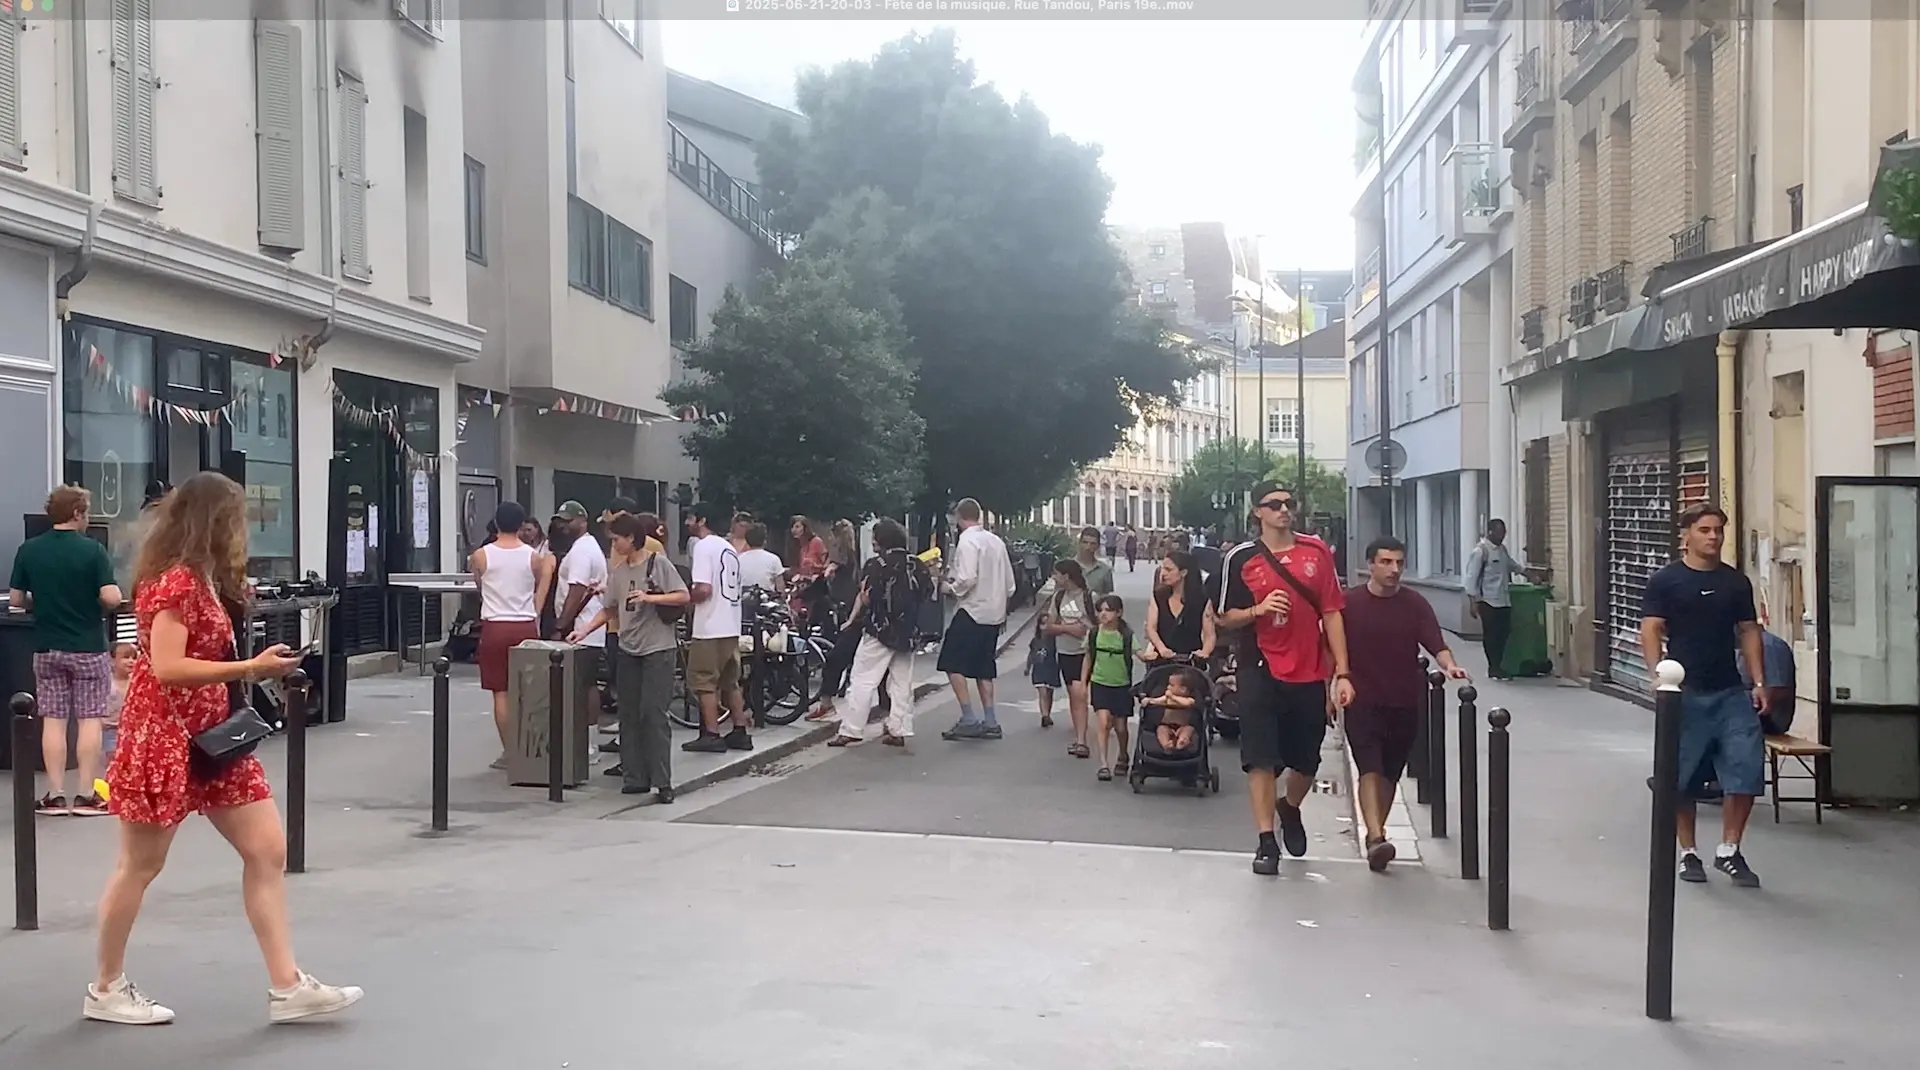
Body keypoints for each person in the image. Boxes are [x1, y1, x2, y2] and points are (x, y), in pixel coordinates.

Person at [90, 471, 359, 1026]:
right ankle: (106, 986)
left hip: (212, 734)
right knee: (141, 865)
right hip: (166, 733)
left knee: (266, 849)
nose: (244, 530)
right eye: (236, 519)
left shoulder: (200, 579)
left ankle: (287, 985)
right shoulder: (179, 583)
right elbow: (167, 668)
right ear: (215, 522)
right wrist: (252, 667)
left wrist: (253, 662)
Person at [1216, 481, 1353, 876]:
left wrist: (1342, 672)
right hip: (1259, 666)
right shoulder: (1240, 558)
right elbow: (1224, 615)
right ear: (1257, 511)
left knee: (1306, 759)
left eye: (1289, 503)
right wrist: (1257, 610)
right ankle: (1265, 841)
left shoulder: (1316, 552)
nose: (1284, 510)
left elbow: (1332, 612)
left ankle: (1289, 807)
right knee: (1260, 757)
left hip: (1308, 669)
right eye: (1273, 504)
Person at [1640, 502, 1767, 889]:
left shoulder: (1735, 583)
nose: (1714, 537)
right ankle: (1688, 852)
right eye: (1705, 530)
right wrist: (1658, 677)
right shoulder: (1666, 581)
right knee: (1681, 777)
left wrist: (1759, 682)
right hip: (1685, 692)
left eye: (1718, 530)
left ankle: (1729, 850)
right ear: (1687, 535)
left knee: (1746, 770)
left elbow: (1748, 631)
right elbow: (1650, 628)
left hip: (1729, 691)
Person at [1341, 536, 1468, 872]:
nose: (1394, 569)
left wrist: (1449, 664)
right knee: (1369, 765)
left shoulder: (1415, 604)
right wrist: (1335, 682)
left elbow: (1435, 642)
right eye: (1386, 562)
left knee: (1390, 773)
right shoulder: (1349, 603)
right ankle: (1375, 836)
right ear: (1370, 564)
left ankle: (1377, 835)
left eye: (1398, 562)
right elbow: (1332, 647)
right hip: (1362, 698)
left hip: (1404, 699)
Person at [10, 485, 123, 816]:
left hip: (47, 647)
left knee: (54, 721)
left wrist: (44, 602)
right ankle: (87, 795)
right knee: (89, 720)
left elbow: (17, 601)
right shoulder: (92, 551)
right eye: (86, 511)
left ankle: (55, 795)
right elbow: (112, 597)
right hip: (87, 646)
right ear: (77, 513)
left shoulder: (29, 549)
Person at [571, 513, 688, 801]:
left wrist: (651, 598)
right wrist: (584, 629)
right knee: (629, 713)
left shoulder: (657, 563)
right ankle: (634, 776)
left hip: (658, 648)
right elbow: (610, 608)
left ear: (631, 538)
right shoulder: (619, 572)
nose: (614, 544)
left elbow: (683, 595)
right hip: (628, 648)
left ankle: (663, 781)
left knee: (654, 713)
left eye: (617, 539)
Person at [829, 518, 935, 748]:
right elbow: (927, 591)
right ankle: (899, 728)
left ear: (883, 540)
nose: (874, 542)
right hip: (908, 632)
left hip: (880, 629)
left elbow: (868, 595)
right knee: (901, 682)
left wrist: (858, 612)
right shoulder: (916, 564)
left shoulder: (876, 565)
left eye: (876, 537)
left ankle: (852, 729)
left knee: (862, 679)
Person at [472, 502, 555, 770]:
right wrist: (534, 611)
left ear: (496, 522)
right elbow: (541, 584)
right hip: (525, 625)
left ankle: (510, 751)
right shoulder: (533, 556)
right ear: (521, 525)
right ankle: (531, 748)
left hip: (495, 625)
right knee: (528, 691)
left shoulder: (481, 555)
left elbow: (479, 585)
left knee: (501, 691)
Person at [936, 499, 1017, 741]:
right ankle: (990, 720)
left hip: (972, 610)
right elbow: (1010, 585)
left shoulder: (967, 541)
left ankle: (968, 717)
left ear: (959, 517)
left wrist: (949, 587)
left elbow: (967, 578)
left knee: (951, 662)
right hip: (994, 613)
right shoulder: (996, 541)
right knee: (984, 667)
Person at [683, 504, 751, 753]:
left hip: (709, 626)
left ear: (701, 520)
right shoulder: (729, 548)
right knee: (730, 681)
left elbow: (703, 588)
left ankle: (711, 734)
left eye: (690, 517)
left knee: (704, 681)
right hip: (731, 623)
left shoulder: (704, 547)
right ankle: (740, 730)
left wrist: (683, 598)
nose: (687, 522)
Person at [1463, 519, 1528, 679]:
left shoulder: (1501, 550)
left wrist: (1527, 573)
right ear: (1490, 532)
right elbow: (1471, 578)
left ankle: (1499, 664)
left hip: (1504, 599)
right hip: (1488, 601)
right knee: (1491, 635)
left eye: (1504, 532)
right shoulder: (1481, 551)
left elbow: (1511, 565)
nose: (1502, 535)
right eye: (1499, 532)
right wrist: (1473, 602)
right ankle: (1494, 667)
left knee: (1504, 632)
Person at [1040, 560, 1093, 755]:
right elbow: (1048, 626)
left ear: (1067, 576)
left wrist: (1067, 629)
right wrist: (1070, 629)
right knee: (1073, 694)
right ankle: (1079, 737)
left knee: (1080, 694)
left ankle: (1082, 741)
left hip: (1085, 653)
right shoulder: (1059, 597)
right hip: (1065, 652)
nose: (1054, 577)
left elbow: (1094, 627)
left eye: (1057, 574)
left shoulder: (1089, 597)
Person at [1082, 594, 1135, 782]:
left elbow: (1138, 652)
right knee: (1103, 722)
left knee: (1121, 727)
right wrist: (1083, 682)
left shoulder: (1126, 635)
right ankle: (1103, 764)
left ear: (1119, 613)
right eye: (1100, 610)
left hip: (1121, 686)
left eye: (1108, 610)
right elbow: (1088, 657)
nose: (1103, 614)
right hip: (1100, 683)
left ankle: (1122, 754)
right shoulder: (1094, 633)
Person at [1143, 550, 1216, 664]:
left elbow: (1209, 634)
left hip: (1190, 661)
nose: (1163, 573)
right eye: (1163, 568)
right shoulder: (1159, 596)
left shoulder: (1202, 600)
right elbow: (1151, 628)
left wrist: (1205, 652)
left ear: (1183, 572)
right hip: (1161, 660)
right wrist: (1162, 649)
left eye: (1169, 570)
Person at [1144, 666, 1206, 753]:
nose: (1168, 687)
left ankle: (1182, 741)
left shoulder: (1189, 699)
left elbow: (1187, 703)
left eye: (1171, 685)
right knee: (1161, 730)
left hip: (1183, 725)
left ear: (1183, 689)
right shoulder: (1167, 698)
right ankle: (1166, 744)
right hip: (1167, 724)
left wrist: (1173, 697)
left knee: (1188, 730)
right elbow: (1158, 701)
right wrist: (1150, 700)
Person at [106, 641, 137, 761]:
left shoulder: (136, 681)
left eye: (134, 658)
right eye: (126, 657)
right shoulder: (106, 682)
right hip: (110, 730)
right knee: (114, 759)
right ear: (112, 660)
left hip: (131, 728)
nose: (131, 661)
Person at [737, 523, 787, 598]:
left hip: (744, 603)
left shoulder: (738, 559)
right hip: (767, 603)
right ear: (765, 540)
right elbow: (780, 588)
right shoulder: (774, 559)